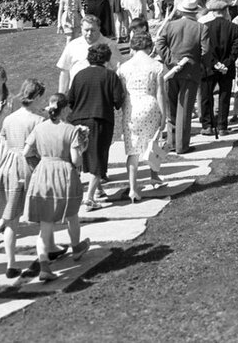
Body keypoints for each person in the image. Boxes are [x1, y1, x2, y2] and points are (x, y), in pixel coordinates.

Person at [22, 93, 89, 281]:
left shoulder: (39, 127)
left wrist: (40, 163)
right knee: (72, 214)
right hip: (64, 173)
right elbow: (75, 160)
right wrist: (82, 150)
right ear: (66, 108)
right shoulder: (71, 130)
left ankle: (44, 265)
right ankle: (76, 248)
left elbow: (26, 152)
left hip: (43, 172)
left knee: (45, 224)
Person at [0, 79, 45, 278]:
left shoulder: (9, 118)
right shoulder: (38, 121)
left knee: (11, 219)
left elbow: (4, 140)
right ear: (37, 96)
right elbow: (38, 148)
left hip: (9, 166)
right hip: (30, 166)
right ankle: (44, 257)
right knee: (43, 216)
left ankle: (11, 263)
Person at [69, 42, 126, 209]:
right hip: (100, 120)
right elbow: (117, 100)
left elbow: (71, 99)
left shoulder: (79, 75)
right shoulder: (110, 76)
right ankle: (89, 197)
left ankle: (97, 191)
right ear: (107, 59)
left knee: (82, 157)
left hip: (78, 121)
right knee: (98, 158)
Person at [117, 26, 166, 201]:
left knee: (133, 150)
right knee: (153, 143)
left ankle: (132, 187)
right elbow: (160, 93)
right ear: (149, 47)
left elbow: (122, 93)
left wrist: (125, 111)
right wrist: (164, 115)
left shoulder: (123, 67)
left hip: (132, 107)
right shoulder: (156, 65)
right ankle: (154, 175)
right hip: (150, 104)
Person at [156, 0, 208, 155]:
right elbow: (205, 52)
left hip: (170, 71)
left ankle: (172, 142)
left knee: (171, 108)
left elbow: (159, 43)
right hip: (190, 72)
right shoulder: (201, 28)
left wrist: (171, 60)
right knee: (184, 109)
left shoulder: (170, 25)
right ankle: (181, 145)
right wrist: (199, 65)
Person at [199, 0, 238, 136]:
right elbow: (235, 51)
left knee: (206, 96)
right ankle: (222, 126)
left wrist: (215, 63)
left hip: (209, 66)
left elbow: (205, 50)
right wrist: (226, 64)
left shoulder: (205, 27)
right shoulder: (234, 28)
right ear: (225, 10)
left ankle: (207, 125)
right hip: (226, 67)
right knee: (224, 96)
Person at [57, 14, 119, 93]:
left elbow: (118, 69)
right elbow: (64, 71)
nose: (89, 34)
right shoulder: (72, 45)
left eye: (93, 30)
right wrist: (61, 94)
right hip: (77, 94)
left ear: (99, 28)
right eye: (86, 30)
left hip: (102, 94)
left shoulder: (109, 45)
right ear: (81, 28)